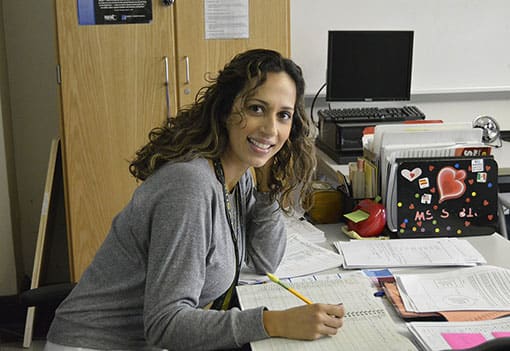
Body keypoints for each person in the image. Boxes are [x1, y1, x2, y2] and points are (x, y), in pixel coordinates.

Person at [45, 49, 345, 351]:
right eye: (256, 109)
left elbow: (265, 260)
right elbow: (165, 325)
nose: (270, 129)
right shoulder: (191, 186)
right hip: (93, 345)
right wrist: (274, 322)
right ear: (227, 110)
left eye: (283, 115)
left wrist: (267, 189)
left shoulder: (236, 173)